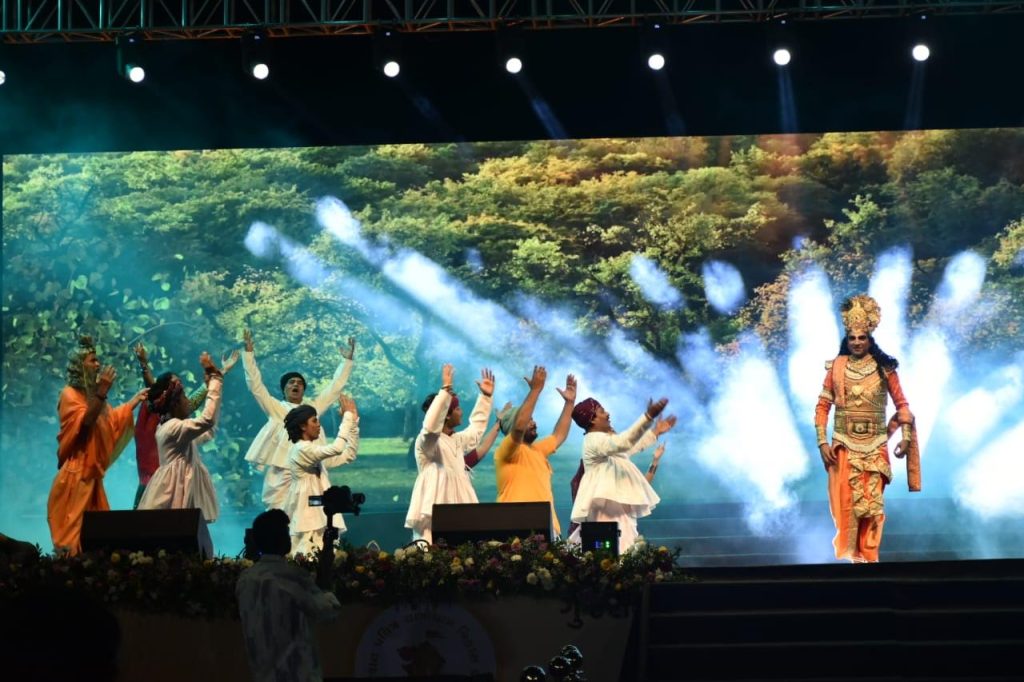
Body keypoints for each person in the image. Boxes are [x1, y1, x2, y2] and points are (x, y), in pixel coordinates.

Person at [815, 294, 920, 564]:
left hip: (875, 446)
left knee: (872, 508)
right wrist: (822, 442)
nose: (857, 342)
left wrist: (906, 438)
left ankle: (870, 560)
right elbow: (822, 407)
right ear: (847, 339)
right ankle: (854, 561)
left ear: (870, 339)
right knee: (845, 506)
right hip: (843, 446)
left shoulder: (885, 369)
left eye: (862, 338)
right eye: (852, 338)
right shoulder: (836, 368)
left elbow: (903, 406)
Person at [48, 336, 148, 555]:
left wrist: (133, 402)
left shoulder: (93, 396)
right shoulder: (69, 394)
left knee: (98, 540)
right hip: (77, 477)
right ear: (80, 365)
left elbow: (110, 422)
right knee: (72, 542)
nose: (98, 364)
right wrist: (102, 390)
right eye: (92, 360)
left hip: (92, 477)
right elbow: (85, 423)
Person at [242, 328, 356, 510]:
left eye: (300, 383)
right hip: (282, 469)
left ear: (303, 389)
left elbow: (334, 388)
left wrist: (347, 362)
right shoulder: (276, 408)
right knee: (277, 510)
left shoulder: (312, 409)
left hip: (308, 470)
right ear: (284, 389)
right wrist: (248, 355)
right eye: (292, 382)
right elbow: (255, 385)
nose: (296, 384)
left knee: (310, 510)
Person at [236, 509, 341, 682]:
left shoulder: (245, 579)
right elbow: (327, 611)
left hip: (261, 674)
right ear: (283, 540)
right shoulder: (292, 577)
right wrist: (325, 584)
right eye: (286, 532)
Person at [132, 342, 238, 508]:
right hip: (156, 479)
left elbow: (202, 419)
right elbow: (155, 390)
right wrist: (143, 364)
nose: (181, 393)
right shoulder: (168, 423)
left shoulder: (173, 420)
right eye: (177, 388)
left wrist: (219, 374)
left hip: (175, 482)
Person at [568, 396, 676, 554]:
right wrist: (647, 417)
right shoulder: (593, 440)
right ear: (592, 419)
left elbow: (630, 447)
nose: (607, 414)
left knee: (625, 555)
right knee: (610, 557)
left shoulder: (609, 452)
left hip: (620, 515)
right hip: (606, 516)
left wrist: (655, 432)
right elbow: (624, 442)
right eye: (602, 411)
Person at [405, 364, 495, 544]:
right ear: (446, 414)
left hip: (460, 514)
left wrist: (485, 398)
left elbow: (476, 429)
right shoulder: (428, 443)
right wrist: (445, 391)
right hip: (434, 516)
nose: (461, 412)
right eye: (457, 408)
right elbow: (430, 428)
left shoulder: (456, 440)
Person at [136, 352, 224, 531]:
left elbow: (208, 430)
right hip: (172, 490)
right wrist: (215, 381)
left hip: (183, 487)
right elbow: (206, 420)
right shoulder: (172, 428)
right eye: (184, 397)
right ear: (175, 404)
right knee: (171, 532)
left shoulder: (175, 428)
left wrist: (215, 388)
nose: (188, 402)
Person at [494, 367, 577, 537]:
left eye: (532, 419)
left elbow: (559, 435)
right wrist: (535, 390)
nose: (534, 423)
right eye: (529, 420)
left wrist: (569, 403)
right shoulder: (507, 451)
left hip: (548, 526)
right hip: (517, 526)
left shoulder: (537, 450)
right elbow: (519, 427)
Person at [283, 397, 360, 556]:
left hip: (321, 511)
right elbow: (337, 448)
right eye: (314, 421)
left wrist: (353, 423)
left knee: (327, 554)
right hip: (307, 515)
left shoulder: (313, 453)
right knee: (307, 555)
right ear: (303, 426)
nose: (319, 425)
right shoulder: (301, 450)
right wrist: (347, 417)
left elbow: (349, 455)